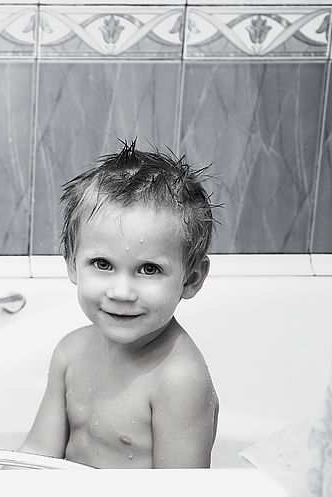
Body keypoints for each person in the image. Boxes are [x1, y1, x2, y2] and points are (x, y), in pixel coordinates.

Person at [18, 141, 219, 468]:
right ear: (71, 264)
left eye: (149, 269)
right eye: (102, 264)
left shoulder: (179, 380)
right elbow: (37, 453)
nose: (122, 291)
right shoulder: (70, 352)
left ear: (191, 279)